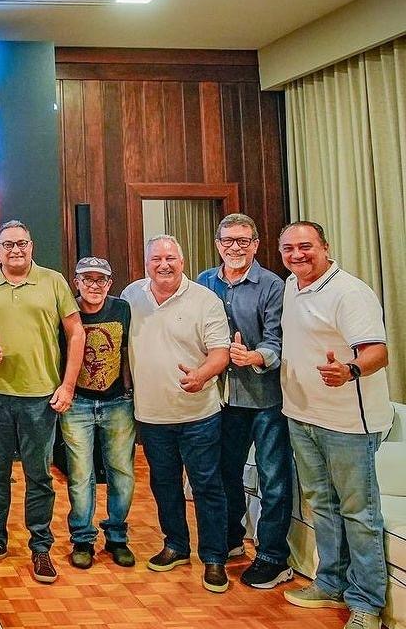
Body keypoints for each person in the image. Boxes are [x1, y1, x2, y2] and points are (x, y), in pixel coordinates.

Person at [278, 221, 392, 629]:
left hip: (348, 424)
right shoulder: (291, 286)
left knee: (359, 513)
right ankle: (330, 583)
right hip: (302, 416)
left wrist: (349, 370)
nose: (297, 255)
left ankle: (367, 604)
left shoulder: (350, 292)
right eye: (288, 248)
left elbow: (378, 352)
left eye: (305, 246)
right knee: (323, 506)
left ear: (325, 247)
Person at [0, 221, 84, 584]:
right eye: (8, 244)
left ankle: (41, 547)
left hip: (40, 397)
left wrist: (67, 386)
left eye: (21, 243)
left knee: (39, 476)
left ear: (31, 245)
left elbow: (76, 332)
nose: (15, 250)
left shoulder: (53, 281)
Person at [121, 235, 231, 593]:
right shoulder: (131, 296)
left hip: (199, 414)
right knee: (164, 484)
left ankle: (214, 557)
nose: (164, 265)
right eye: (156, 259)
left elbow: (221, 353)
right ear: (146, 263)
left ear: (182, 262)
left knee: (206, 486)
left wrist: (202, 375)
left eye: (170, 258)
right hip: (152, 415)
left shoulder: (205, 300)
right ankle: (176, 546)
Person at [195, 213, 293, 589]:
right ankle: (232, 540)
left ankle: (273, 557)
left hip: (265, 399)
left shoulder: (272, 285)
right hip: (221, 399)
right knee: (225, 474)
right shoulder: (204, 281)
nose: (235, 247)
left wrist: (254, 356)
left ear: (255, 245)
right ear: (218, 244)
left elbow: (277, 340)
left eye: (243, 241)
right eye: (228, 241)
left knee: (273, 479)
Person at [60, 257, 136, 570]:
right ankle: (82, 538)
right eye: (87, 279)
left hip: (117, 402)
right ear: (76, 282)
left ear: (109, 283)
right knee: (80, 474)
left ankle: (117, 536)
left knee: (121, 471)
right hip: (77, 402)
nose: (94, 285)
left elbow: (129, 349)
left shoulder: (122, 309)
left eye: (100, 279)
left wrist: (131, 391)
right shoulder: (66, 311)